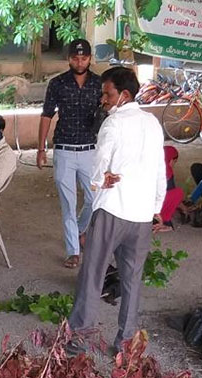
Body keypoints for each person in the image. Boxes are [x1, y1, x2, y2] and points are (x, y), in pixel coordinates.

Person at [66, 67, 165, 355]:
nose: (103, 99)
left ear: (123, 95)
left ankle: (79, 339)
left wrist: (98, 182)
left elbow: (99, 165)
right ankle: (126, 342)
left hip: (113, 209)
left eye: (107, 93)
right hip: (142, 215)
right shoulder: (152, 123)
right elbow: (159, 168)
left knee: (92, 276)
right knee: (132, 280)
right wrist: (157, 207)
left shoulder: (113, 124)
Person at [38, 39, 103, 269]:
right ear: (69, 59)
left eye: (83, 58)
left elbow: (107, 113)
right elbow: (46, 115)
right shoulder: (57, 84)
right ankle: (73, 251)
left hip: (90, 150)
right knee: (68, 203)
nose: (79, 62)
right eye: (75, 58)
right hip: (64, 149)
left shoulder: (99, 83)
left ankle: (78, 231)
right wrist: (41, 149)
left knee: (95, 198)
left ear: (89, 59)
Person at [154, 146, 186, 232]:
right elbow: (169, 194)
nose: (173, 165)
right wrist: (184, 209)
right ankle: (163, 223)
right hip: (152, 207)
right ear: (171, 160)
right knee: (178, 193)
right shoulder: (167, 172)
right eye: (174, 162)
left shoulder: (152, 164)